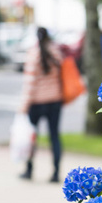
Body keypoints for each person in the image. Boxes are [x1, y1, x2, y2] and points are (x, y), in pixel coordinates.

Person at [19, 27, 63, 183]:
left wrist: (24, 105)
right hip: (55, 101)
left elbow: (30, 83)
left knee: (31, 137)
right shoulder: (56, 52)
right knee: (54, 137)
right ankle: (56, 172)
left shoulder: (33, 54)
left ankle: (29, 170)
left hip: (37, 103)